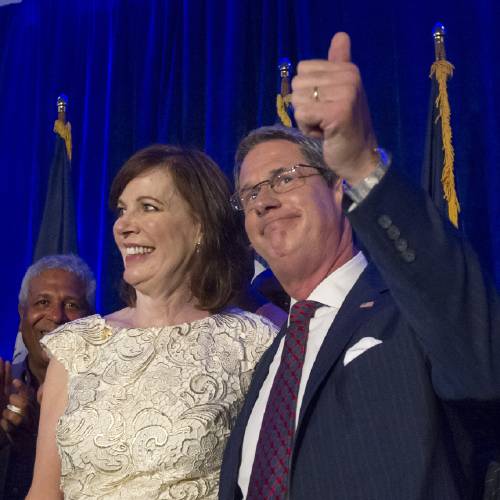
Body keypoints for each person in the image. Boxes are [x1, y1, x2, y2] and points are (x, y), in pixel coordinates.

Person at [219, 32, 500, 499]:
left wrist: (362, 164)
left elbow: (477, 345)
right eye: (249, 194)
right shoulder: (271, 358)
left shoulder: (407, 310)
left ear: (335, 189)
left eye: (283, 179)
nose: (264, 201)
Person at [27, 145, 277, 499]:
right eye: (122, 210)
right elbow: (44, 492)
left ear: (199, 227)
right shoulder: (76, 346)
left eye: (148, 208)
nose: (124, 226)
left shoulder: (252, 343)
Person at [0, 254, 94, 500]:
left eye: (72, 305)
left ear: (91, 319)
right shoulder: (4, 384)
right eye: (42, 302)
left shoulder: (106, 395)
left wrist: (34, 439)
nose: (56, 316)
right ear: (22, 316)